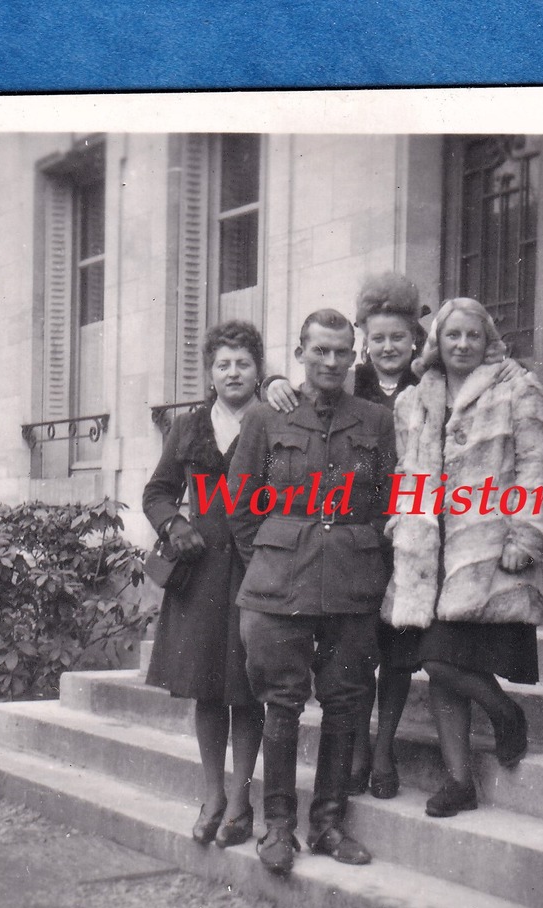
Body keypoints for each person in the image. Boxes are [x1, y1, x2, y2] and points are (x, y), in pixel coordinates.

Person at [229, 309, 397, 876]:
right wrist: (281, 555)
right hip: (279, 587)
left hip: (352, 585)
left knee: (346, 704)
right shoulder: (265, 417)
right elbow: (242, 505)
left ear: (355, 356)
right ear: (300, 352)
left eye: (341, 352)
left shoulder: (376, 420)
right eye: (319, 351)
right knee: (281, 703)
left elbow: (386, 501)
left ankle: (327, 823)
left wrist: (356, 552)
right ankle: (278, 826)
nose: (330, 362)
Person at [381, 297, 543, 817]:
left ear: (489, 342)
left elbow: (538, 466)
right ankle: (460, 781)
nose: (462, 345)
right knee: (439, 666)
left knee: (442, 658)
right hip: (427, 547)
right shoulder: (412, 401)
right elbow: (405, 470)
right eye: (452, 335)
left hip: (486, 546)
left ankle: (505, 713)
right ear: (436, 341)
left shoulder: (517, 388)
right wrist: (402, 521)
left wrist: (526, 536)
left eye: (473, 336)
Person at [264, 273, 426, 799]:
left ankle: (382, 752)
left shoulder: (433, 384)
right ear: (364, 341)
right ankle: (354, 753)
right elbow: (299, 393)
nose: (387, 348)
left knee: (398, 651)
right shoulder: (345, 380)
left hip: (411, 532)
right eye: (377, 338)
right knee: (357, 658)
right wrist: (273, 383)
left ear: (414, 340)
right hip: (350, 547)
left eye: (397, 337)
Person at [142, 320, 268, 847]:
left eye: (243, 362)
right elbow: (157, 492)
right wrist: (176, 523)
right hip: (201, 570)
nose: (233, 372)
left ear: (259, 369)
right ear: (210, 374)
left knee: (249, 686)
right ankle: (212, 794)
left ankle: (241, 800)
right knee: (208, 690)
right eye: (224, 364)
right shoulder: (189, 427)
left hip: (259, 566)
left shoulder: (274, 420)